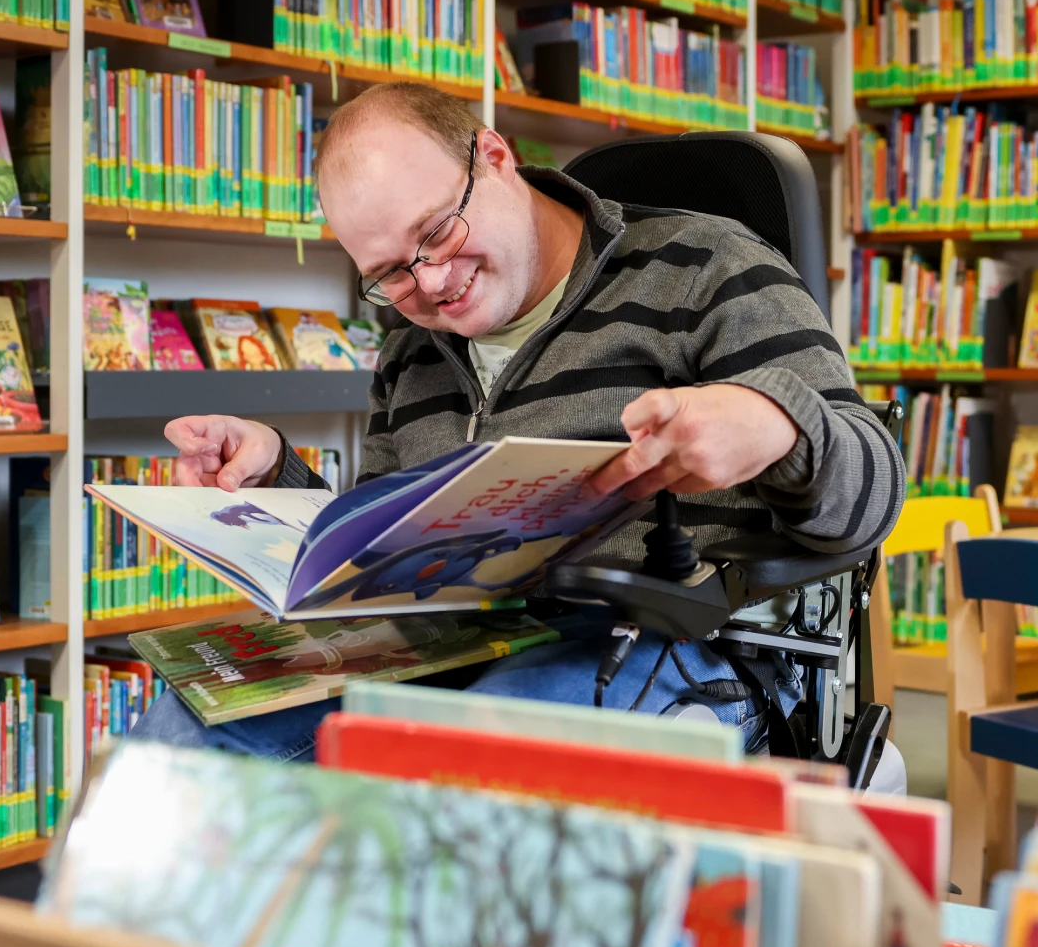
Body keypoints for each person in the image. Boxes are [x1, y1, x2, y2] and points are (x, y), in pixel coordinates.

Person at [132, 83, 904, 760]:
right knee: (171, 747)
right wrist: (277, 476)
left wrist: (777, 425)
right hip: (448, 648)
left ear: (494, 157)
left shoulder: (707, 267)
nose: (431, 282)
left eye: (436, 233)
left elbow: (875, 499)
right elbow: (381, 557)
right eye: (390, 274)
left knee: (472, 773)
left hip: (668, 642)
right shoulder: (412, 349)